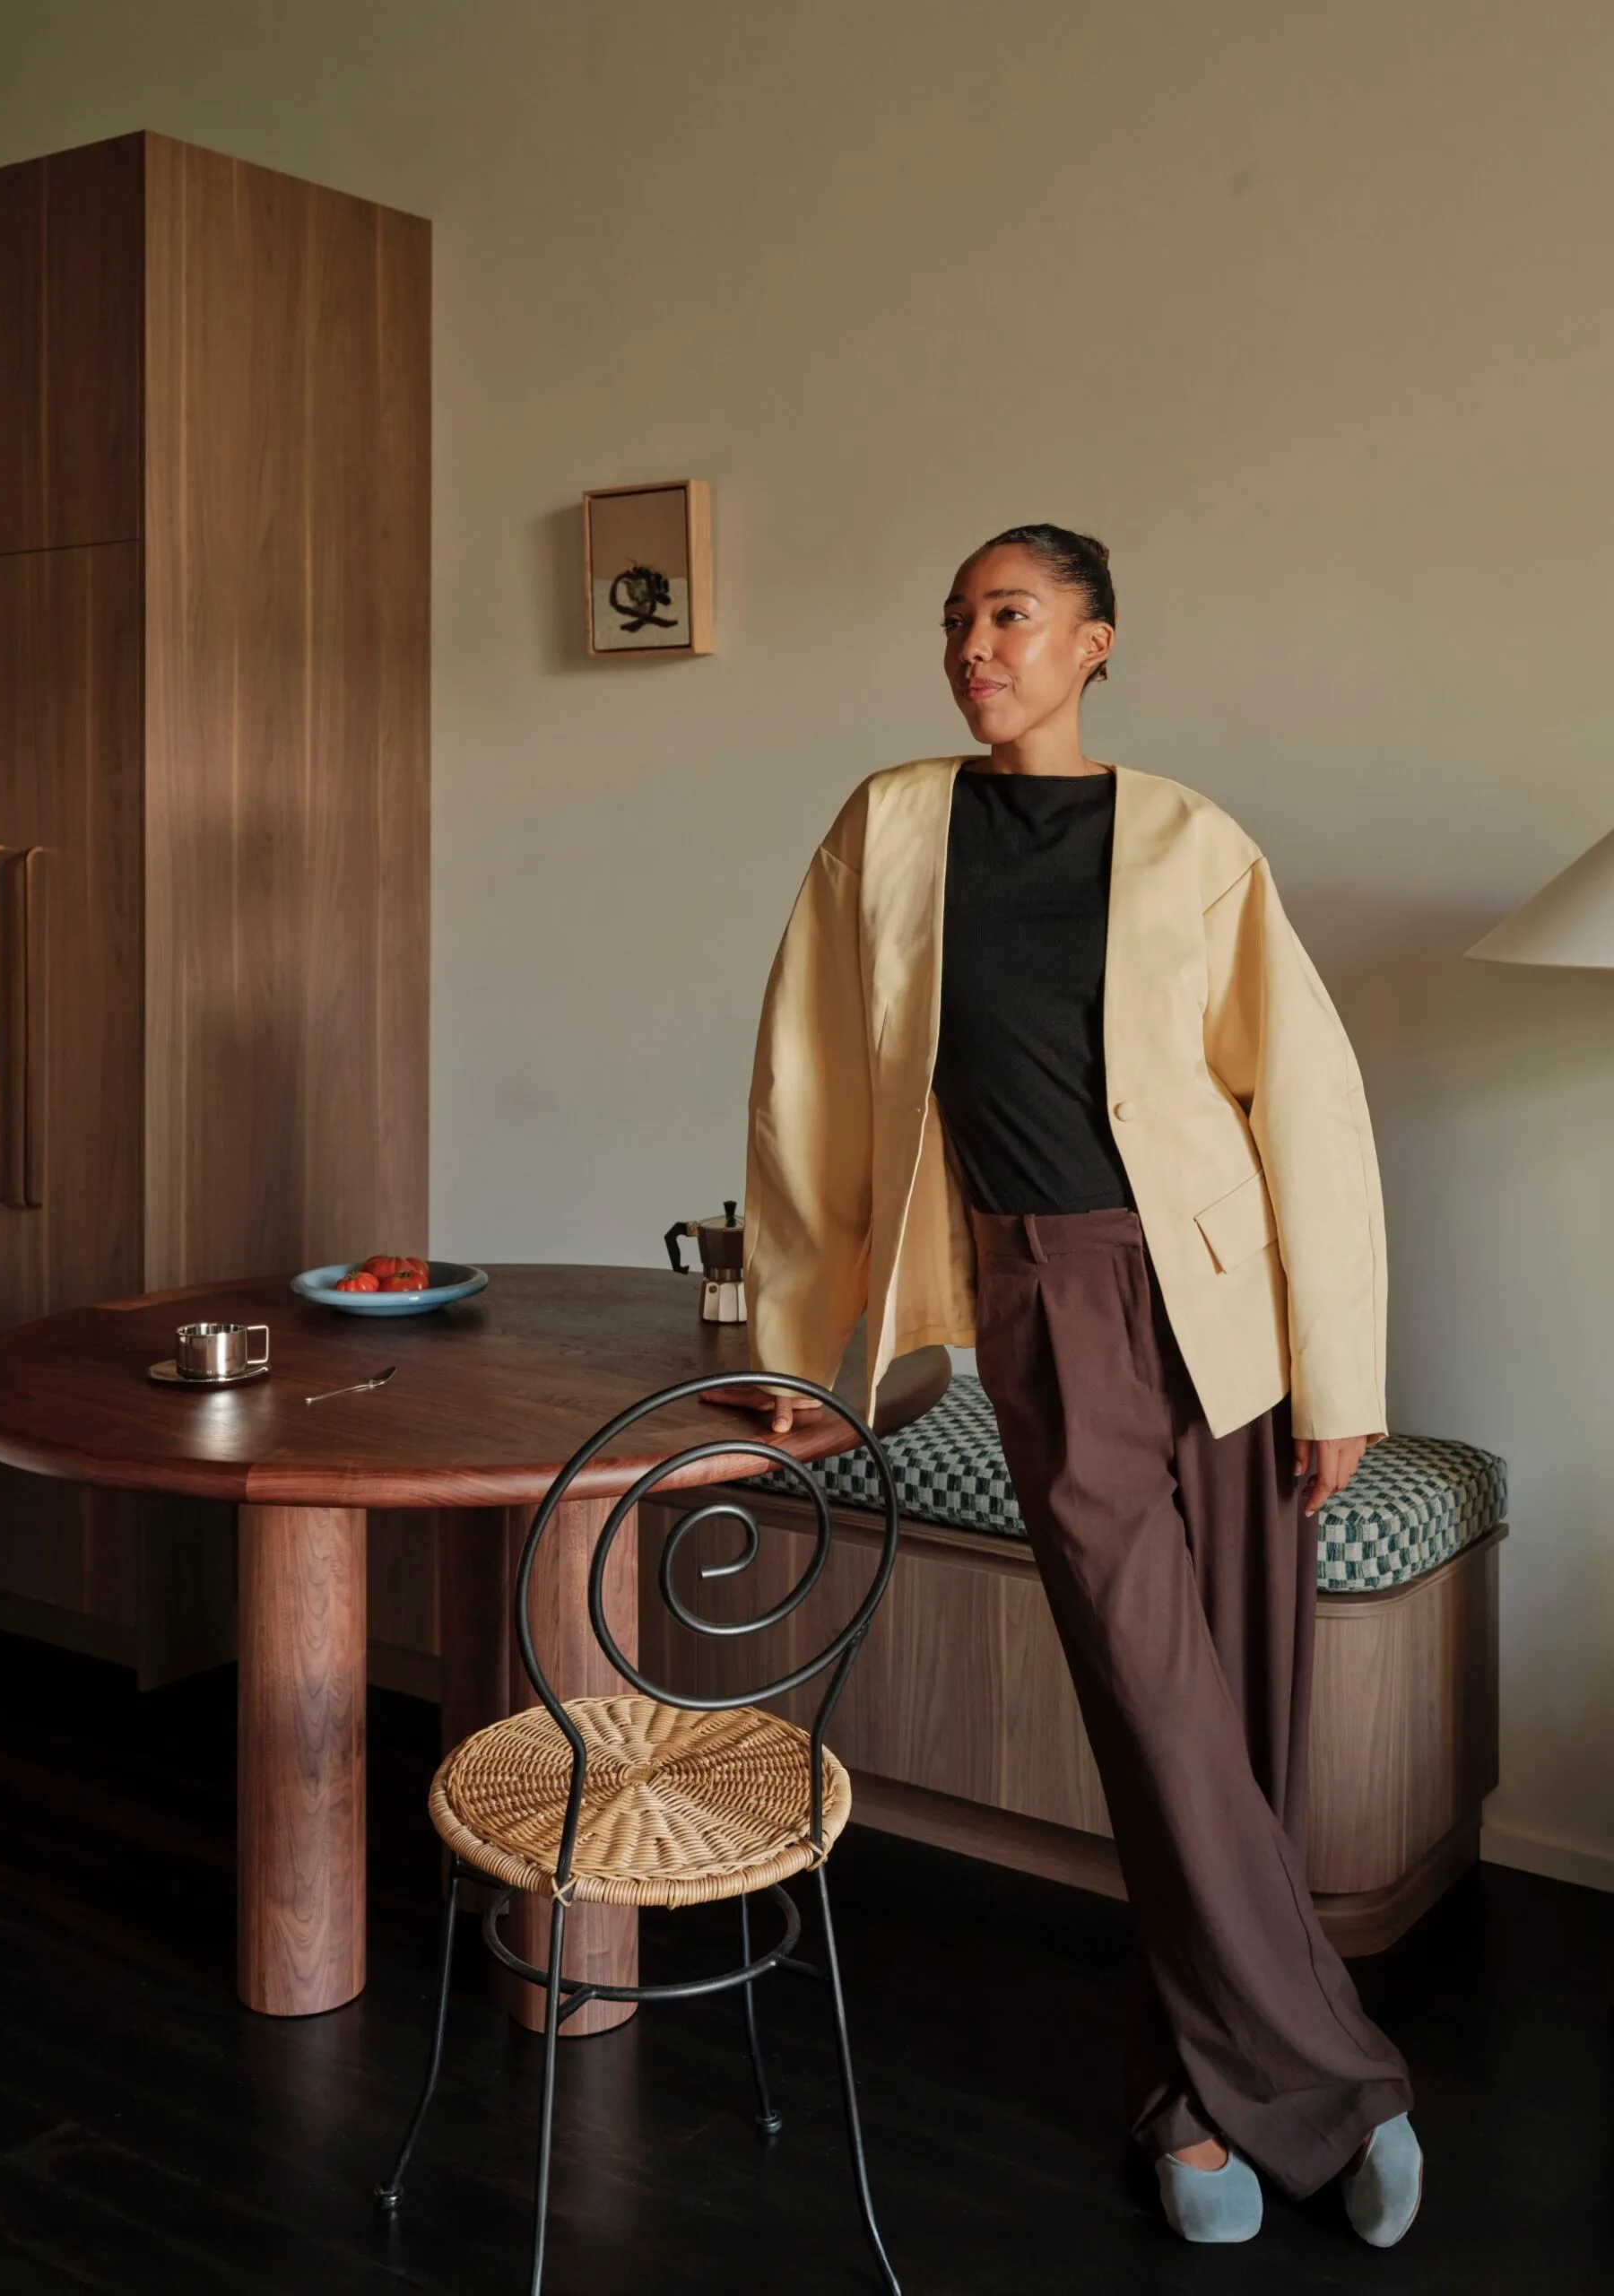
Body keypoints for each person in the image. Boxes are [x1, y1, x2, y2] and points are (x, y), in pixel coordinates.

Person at [711, 523, 1423, 2247]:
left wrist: (1339, 1381)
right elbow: (806, 1103)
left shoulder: (1194, 843)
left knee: (1241, 1707)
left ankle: (1184, 2106)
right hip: (1046, 1292)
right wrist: (811, 1363)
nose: (976, 645)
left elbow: (1307, 1113)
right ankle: (1341, 2083)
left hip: (1228, 1309)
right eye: (958, 620)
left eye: (1012, 616)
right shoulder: (886, 828)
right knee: (1158, 1699)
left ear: (1096, 641)